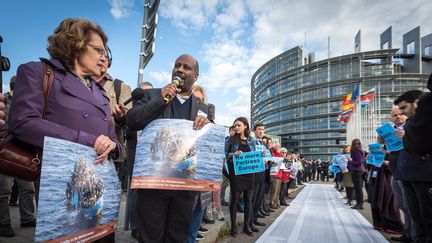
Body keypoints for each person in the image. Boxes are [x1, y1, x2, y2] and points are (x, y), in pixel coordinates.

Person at [8, 18, 121, 242]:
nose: (104, 57)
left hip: (101, 187)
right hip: (62, 187)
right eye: (99, 50)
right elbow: (22, 122)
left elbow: (114, 141)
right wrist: (86, 140)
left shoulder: (101, 92)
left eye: (106, 52)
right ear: (76, 44)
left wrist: (112, 146)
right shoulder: (38, 72)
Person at [126, 54, 213, 243]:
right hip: (153, 186)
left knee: (177, 238)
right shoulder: (152, 95)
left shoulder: (204, 109)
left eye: (186, 67)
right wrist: (160, 100)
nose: (180, 70)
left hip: (185, 188)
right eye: (177, 65)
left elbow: (206, 146)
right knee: (151, 238)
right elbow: (132, 121)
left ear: (196, 76)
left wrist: (208, 125)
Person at [0, 76, 37, 237]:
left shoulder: (26, 103)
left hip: (23, 151)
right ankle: (3, 223)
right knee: (3, 189)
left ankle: (27, 218)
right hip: (5, 150)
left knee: (28, 187)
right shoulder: (4, 100)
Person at [394, 90, 432, 243]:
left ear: (417, 102)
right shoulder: (410, 123)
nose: (401, 112)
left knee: (428, 216)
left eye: (404, 108)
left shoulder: (425, 119)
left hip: (424, 174)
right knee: (416, 216)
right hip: (408, 174)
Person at [225, 117, 256, 237]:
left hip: (249, 173)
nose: (236, 127)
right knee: (235, 199)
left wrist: (261, 154)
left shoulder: (251, 140)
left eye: (238, 125)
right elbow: (225, 155)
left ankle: (246, 226)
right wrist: (233, 154)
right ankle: (233, 227)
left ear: (245, 126)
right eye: (234, 126)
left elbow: (254, 156)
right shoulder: (230, 139)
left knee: (248, 199)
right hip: (236, 173)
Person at [387, 107, 413, 242]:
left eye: (401, 114)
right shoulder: (392, 131)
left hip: (408, 172)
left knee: (411, 206)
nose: (398, 116)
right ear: (390, 118)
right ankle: (408, 233)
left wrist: (406, 135)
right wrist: (383, 146)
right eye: (395, 115)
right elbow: (393, 149)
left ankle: (415, 236)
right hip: (395, 172)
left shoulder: (411, 127)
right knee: (403, 206)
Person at [367, 137, 403, 234]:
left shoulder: (392, 148)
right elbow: (371, 164)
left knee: (386, 201)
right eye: (378, 135)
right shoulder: (377, 148)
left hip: (386, 178)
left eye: (380, 135)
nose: (378, 137)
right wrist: (370, 157)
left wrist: (387, 162)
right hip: (376, 176)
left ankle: (393, 226)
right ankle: (378, 223)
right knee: (375, 200)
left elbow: (398, 161)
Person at [348, 139, 366, 210]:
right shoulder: (359, 150)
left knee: (358, 188)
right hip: (357, 171)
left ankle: (360, 204)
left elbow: (359, 162)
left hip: (357, 171)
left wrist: (351, 161)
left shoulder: (358, 151)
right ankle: (359, 203)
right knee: (358, 188)